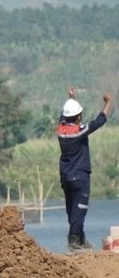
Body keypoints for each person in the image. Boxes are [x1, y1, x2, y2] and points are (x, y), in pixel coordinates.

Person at [57, 87, 113, 252]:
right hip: (80, 175)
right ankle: (74, 242)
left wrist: (71, 99)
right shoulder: (79, 132)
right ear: (78, 117)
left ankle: (80, 239)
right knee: (79, 208)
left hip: (66, 176)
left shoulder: (61, 130)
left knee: (72, 209)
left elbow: (65, 117)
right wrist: (108, 102)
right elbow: (100, 121)